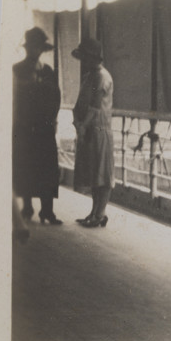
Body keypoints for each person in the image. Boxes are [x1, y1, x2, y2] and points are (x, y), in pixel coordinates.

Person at [13, 27, 62, 224]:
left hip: (45, 128)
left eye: (39, 48)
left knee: (47, 168)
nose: (36, 51)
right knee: (25, 165)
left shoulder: (48, 71)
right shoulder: (17, 70)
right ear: (27, 48)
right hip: (23, 127)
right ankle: (26, 206)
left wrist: (52, 119)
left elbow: (55, 98)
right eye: (33, 47)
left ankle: (47, 211)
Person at [71, 38, 114, 228]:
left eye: (85, 57)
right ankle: (94, 212)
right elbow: (81, 103)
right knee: (94, 174)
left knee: (102, 174)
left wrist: (82, 125)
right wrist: (78, 123)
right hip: (88, 129)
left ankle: (100, 213)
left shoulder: (102, 77)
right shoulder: (90, 76)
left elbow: (95, 107)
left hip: (99, 129)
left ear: (92, 57)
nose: (83, 61)